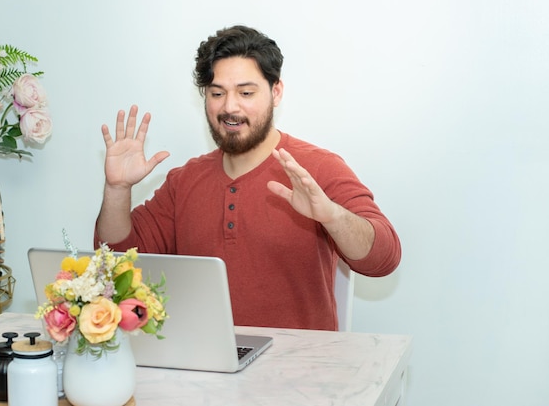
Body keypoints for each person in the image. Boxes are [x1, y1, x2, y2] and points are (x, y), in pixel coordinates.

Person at [94, 25, 401, 331]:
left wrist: (332, 216)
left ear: (275, 92)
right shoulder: (184, 181)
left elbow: (383, 259)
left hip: (300, 371)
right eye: (217, 93)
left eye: (246, 92)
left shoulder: (317, 168)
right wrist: (117, 189)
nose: (230, 107)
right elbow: (117, 265)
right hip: (205, 368)